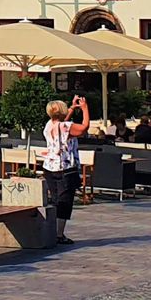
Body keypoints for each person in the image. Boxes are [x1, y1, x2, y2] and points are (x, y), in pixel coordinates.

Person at [41, 96, 89, 244]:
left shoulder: (49, 125)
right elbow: (84, 128)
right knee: (65, 201)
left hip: (50, 167)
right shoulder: (66, 126)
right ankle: (59, 234)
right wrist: (85, 109)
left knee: (56, 200)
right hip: (65, 168)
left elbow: (61, 124)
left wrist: (72, 109)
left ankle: (53, 231)